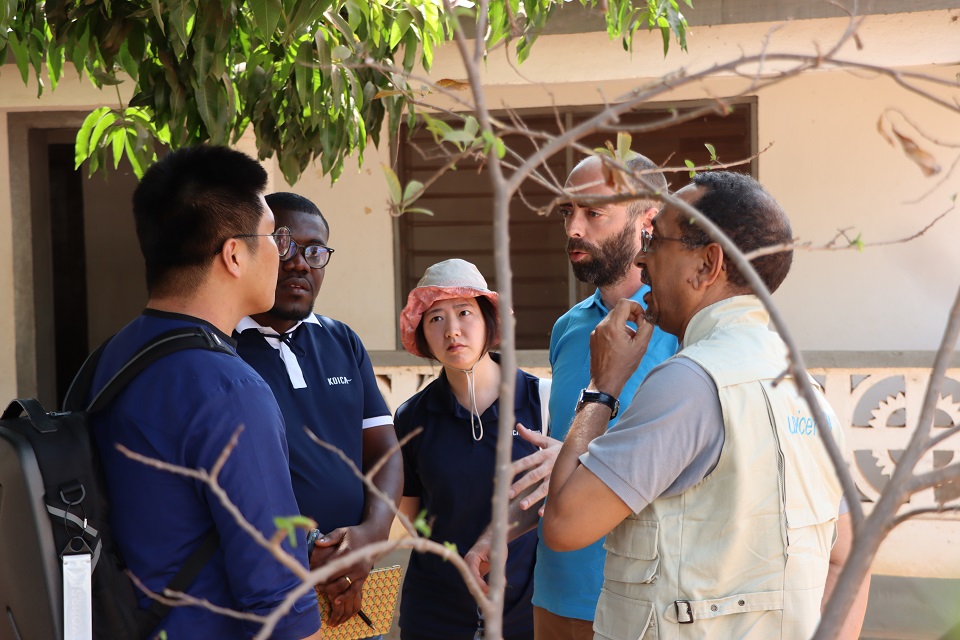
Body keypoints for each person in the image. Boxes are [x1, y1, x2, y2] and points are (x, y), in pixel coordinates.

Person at [543, 171, 868, 638]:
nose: (643, 256)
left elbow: (564, 524)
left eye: (656, 241)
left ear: (706, 265)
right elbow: (848, 557)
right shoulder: (805, 388)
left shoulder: (691, 382)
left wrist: (603, 385)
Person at [90, 146, 322, 638]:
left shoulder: (112, 354)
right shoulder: (231, 389)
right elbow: (277, 597)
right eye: (273, 238)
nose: (282, 255)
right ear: (234, 254)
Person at [465, 153, 679, 639]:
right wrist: (503, 533)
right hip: (556, 592)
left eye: (593, 213)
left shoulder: (682, 328)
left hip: (646, 597)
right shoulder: (567, 328)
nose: (574, 228)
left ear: (647, 219)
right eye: (567, 213)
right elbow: (561, 462)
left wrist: (583, 463)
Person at [234, 192, 403, 628]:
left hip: (356, 587)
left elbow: (384, 449)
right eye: (285, 245)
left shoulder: (342, 341)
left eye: (315, 251)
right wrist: (312, 551)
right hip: (265, 586)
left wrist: (370, 537)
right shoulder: (222, 351)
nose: (299, 263)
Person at [394, 259, 549, 640]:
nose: (453, 331)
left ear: (489, 321)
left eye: (465, 312)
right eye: (435, 319)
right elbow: (414, 517)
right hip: (435, 615)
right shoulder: (412, 417)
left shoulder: (543, 400)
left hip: (530, 612)